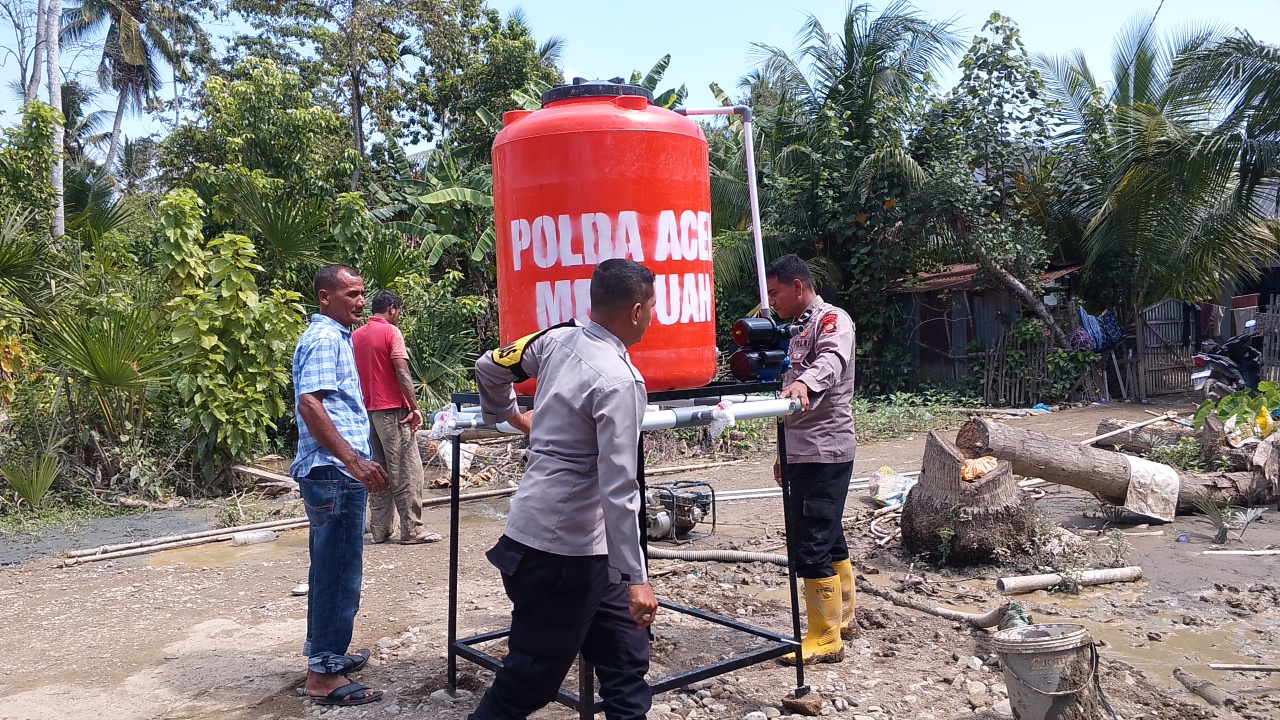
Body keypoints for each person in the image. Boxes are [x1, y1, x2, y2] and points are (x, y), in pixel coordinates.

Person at [468, 258, 659, 720]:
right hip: (560, 553)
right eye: (652, 307)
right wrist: (638, 578)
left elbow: (488, 366)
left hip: (584, 548)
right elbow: (619, 489)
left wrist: (508, 416)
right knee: (529, 681)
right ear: (635, 311)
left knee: (626, 661)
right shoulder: (619, 381)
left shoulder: (557, 339)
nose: (654, 316)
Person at [291, 264, 390, 707]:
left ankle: (328, 657)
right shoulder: (326, 338)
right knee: (338, 574)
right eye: (350, 294)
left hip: (335, 471)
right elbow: (310, 403)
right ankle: (324, 678)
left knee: (332, 570)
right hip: (335, 472)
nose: (360, 301)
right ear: (324, 297)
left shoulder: (336, 337)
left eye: (362, 293)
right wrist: (355, 462)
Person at [766, 254, 858, 666]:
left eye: (775, 292)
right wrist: (784, 452)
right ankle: (844, 619)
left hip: (825, 450)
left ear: (797, 286)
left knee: (811, 542)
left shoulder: (832, 321)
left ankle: (824, 637)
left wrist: (806, 380)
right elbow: (788, 392)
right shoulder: (795, 329)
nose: (771, 302)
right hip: (802, 450)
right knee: (829, 535)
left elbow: (831, 364)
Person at [352, 290, 440, 545]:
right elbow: (402, 372)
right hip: (392, 410)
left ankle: (379, 529)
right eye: (399, 311)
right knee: (407, 470)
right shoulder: (391, 332)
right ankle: (412, 529)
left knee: (378, 472)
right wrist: (415, 407)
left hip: (367, 412)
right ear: (392, 309)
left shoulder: (356, 335)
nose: (399, 316)